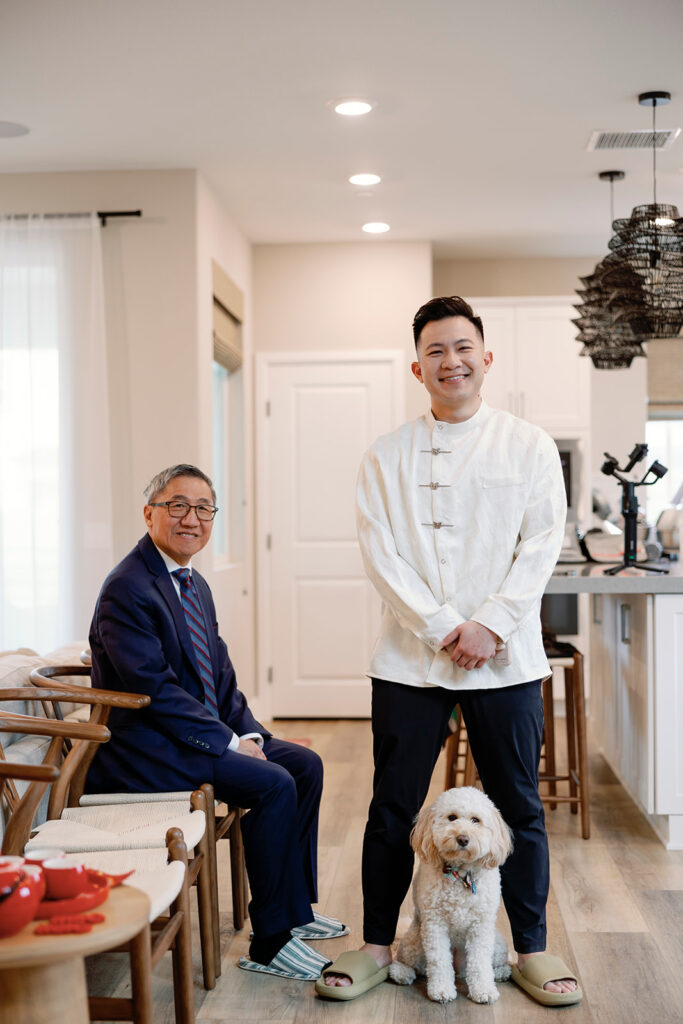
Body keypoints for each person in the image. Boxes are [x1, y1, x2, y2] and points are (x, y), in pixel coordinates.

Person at [317, 296, 582, 1007]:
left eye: (462, 347)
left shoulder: (526, 445)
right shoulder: (386, 454)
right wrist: (441, 626)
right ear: (416, 366)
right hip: (409, 658)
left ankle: (530, 947)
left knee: (519, 807)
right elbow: (381, 552)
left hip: (505, 656)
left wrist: (490, 623)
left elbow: (540, 542)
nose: (450, 361)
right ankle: (376, 945)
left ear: (485, 357)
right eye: (435, 351)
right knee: (390, 807)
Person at [87, 463, 345, 980]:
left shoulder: (192, 581)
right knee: (272, 783)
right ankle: (269, 942)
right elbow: (153, 691)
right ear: (150, 513)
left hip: (190, 737)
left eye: (204, 508)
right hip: (146, 751)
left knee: (304, 764)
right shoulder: (128, 587)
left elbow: (217, 672)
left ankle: (293, 910)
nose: (192, 519)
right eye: (177, 505)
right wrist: (227, 744)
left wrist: (247, 732)